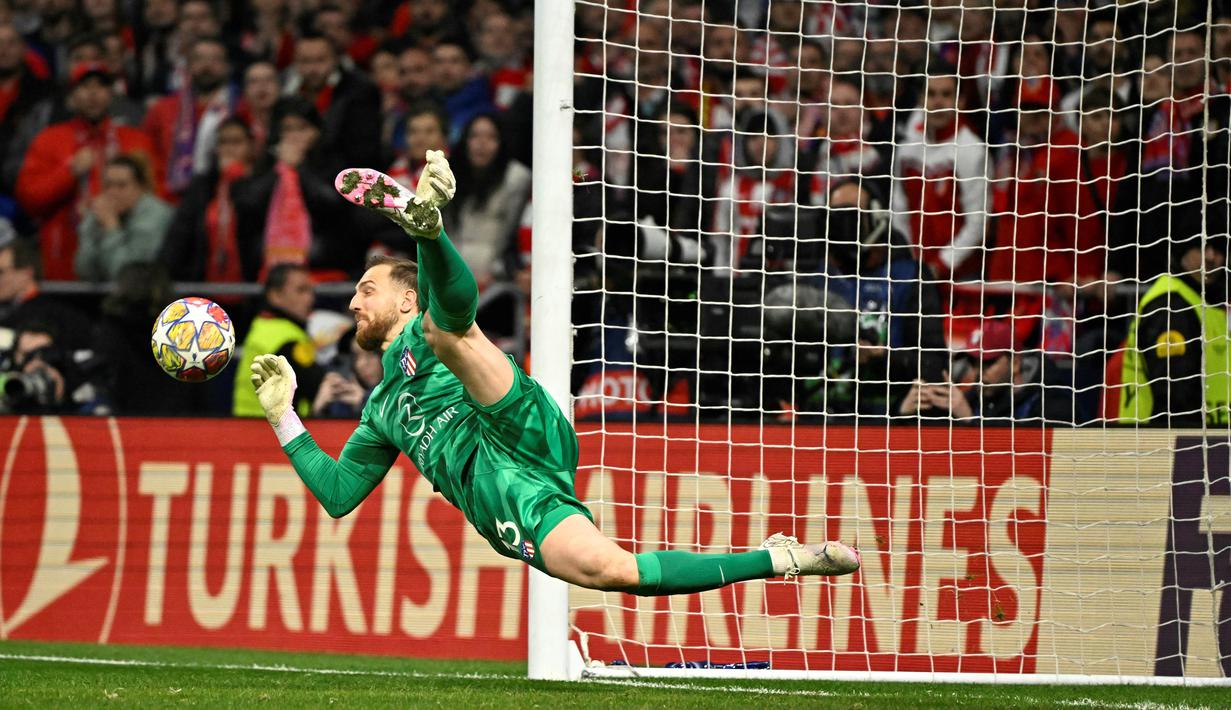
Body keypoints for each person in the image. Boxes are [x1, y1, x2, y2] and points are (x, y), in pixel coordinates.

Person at [249, 154, 860, 594]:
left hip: (506, 422)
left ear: (405, 299)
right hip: (497, 492)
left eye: (366, 289)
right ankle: (780, 558)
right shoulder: (381, 408)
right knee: (616, 573)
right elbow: (337, 495)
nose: (353, 303)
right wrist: (283, 417)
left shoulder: (419, 325)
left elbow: (452, 310)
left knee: (447, 331)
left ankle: (429, 228)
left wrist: (430, 243)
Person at [15, 61, 159, 279]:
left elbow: (156, 196)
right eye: (84, 87)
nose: (93, 94)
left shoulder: (135, 140)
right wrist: (68, 172)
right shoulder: (50, 139)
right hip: (64, 261)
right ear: (72, 95)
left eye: (100, 86)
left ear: (111, 93)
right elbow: (29, 200)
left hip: (125, 258)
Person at [1119, 237, 1231, 427]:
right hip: (1166, 446)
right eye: (1202, 246)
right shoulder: (1170, 306)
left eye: (1219, 249)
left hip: (1210, 442)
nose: (1211, 256)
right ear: (1183, 249)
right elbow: (1174, 399)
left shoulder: (1207, 302)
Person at [233, 263, 323, 418]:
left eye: (310, 291)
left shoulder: (263, 326)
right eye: (301, 290)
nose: (310, 298)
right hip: (270, 431)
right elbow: (316, 386)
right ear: (275, 296)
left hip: (250, 424)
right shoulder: (286, 339)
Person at [75, 154, 174, 281]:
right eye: (108, 185)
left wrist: (111, 227)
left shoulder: (155, 216)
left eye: (121, 185)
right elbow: (84, 271)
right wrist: (90, 226)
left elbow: (128, 276)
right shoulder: (102, 213)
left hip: (150, 296)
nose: (113, 192)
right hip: (110, 297)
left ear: (141, 187)